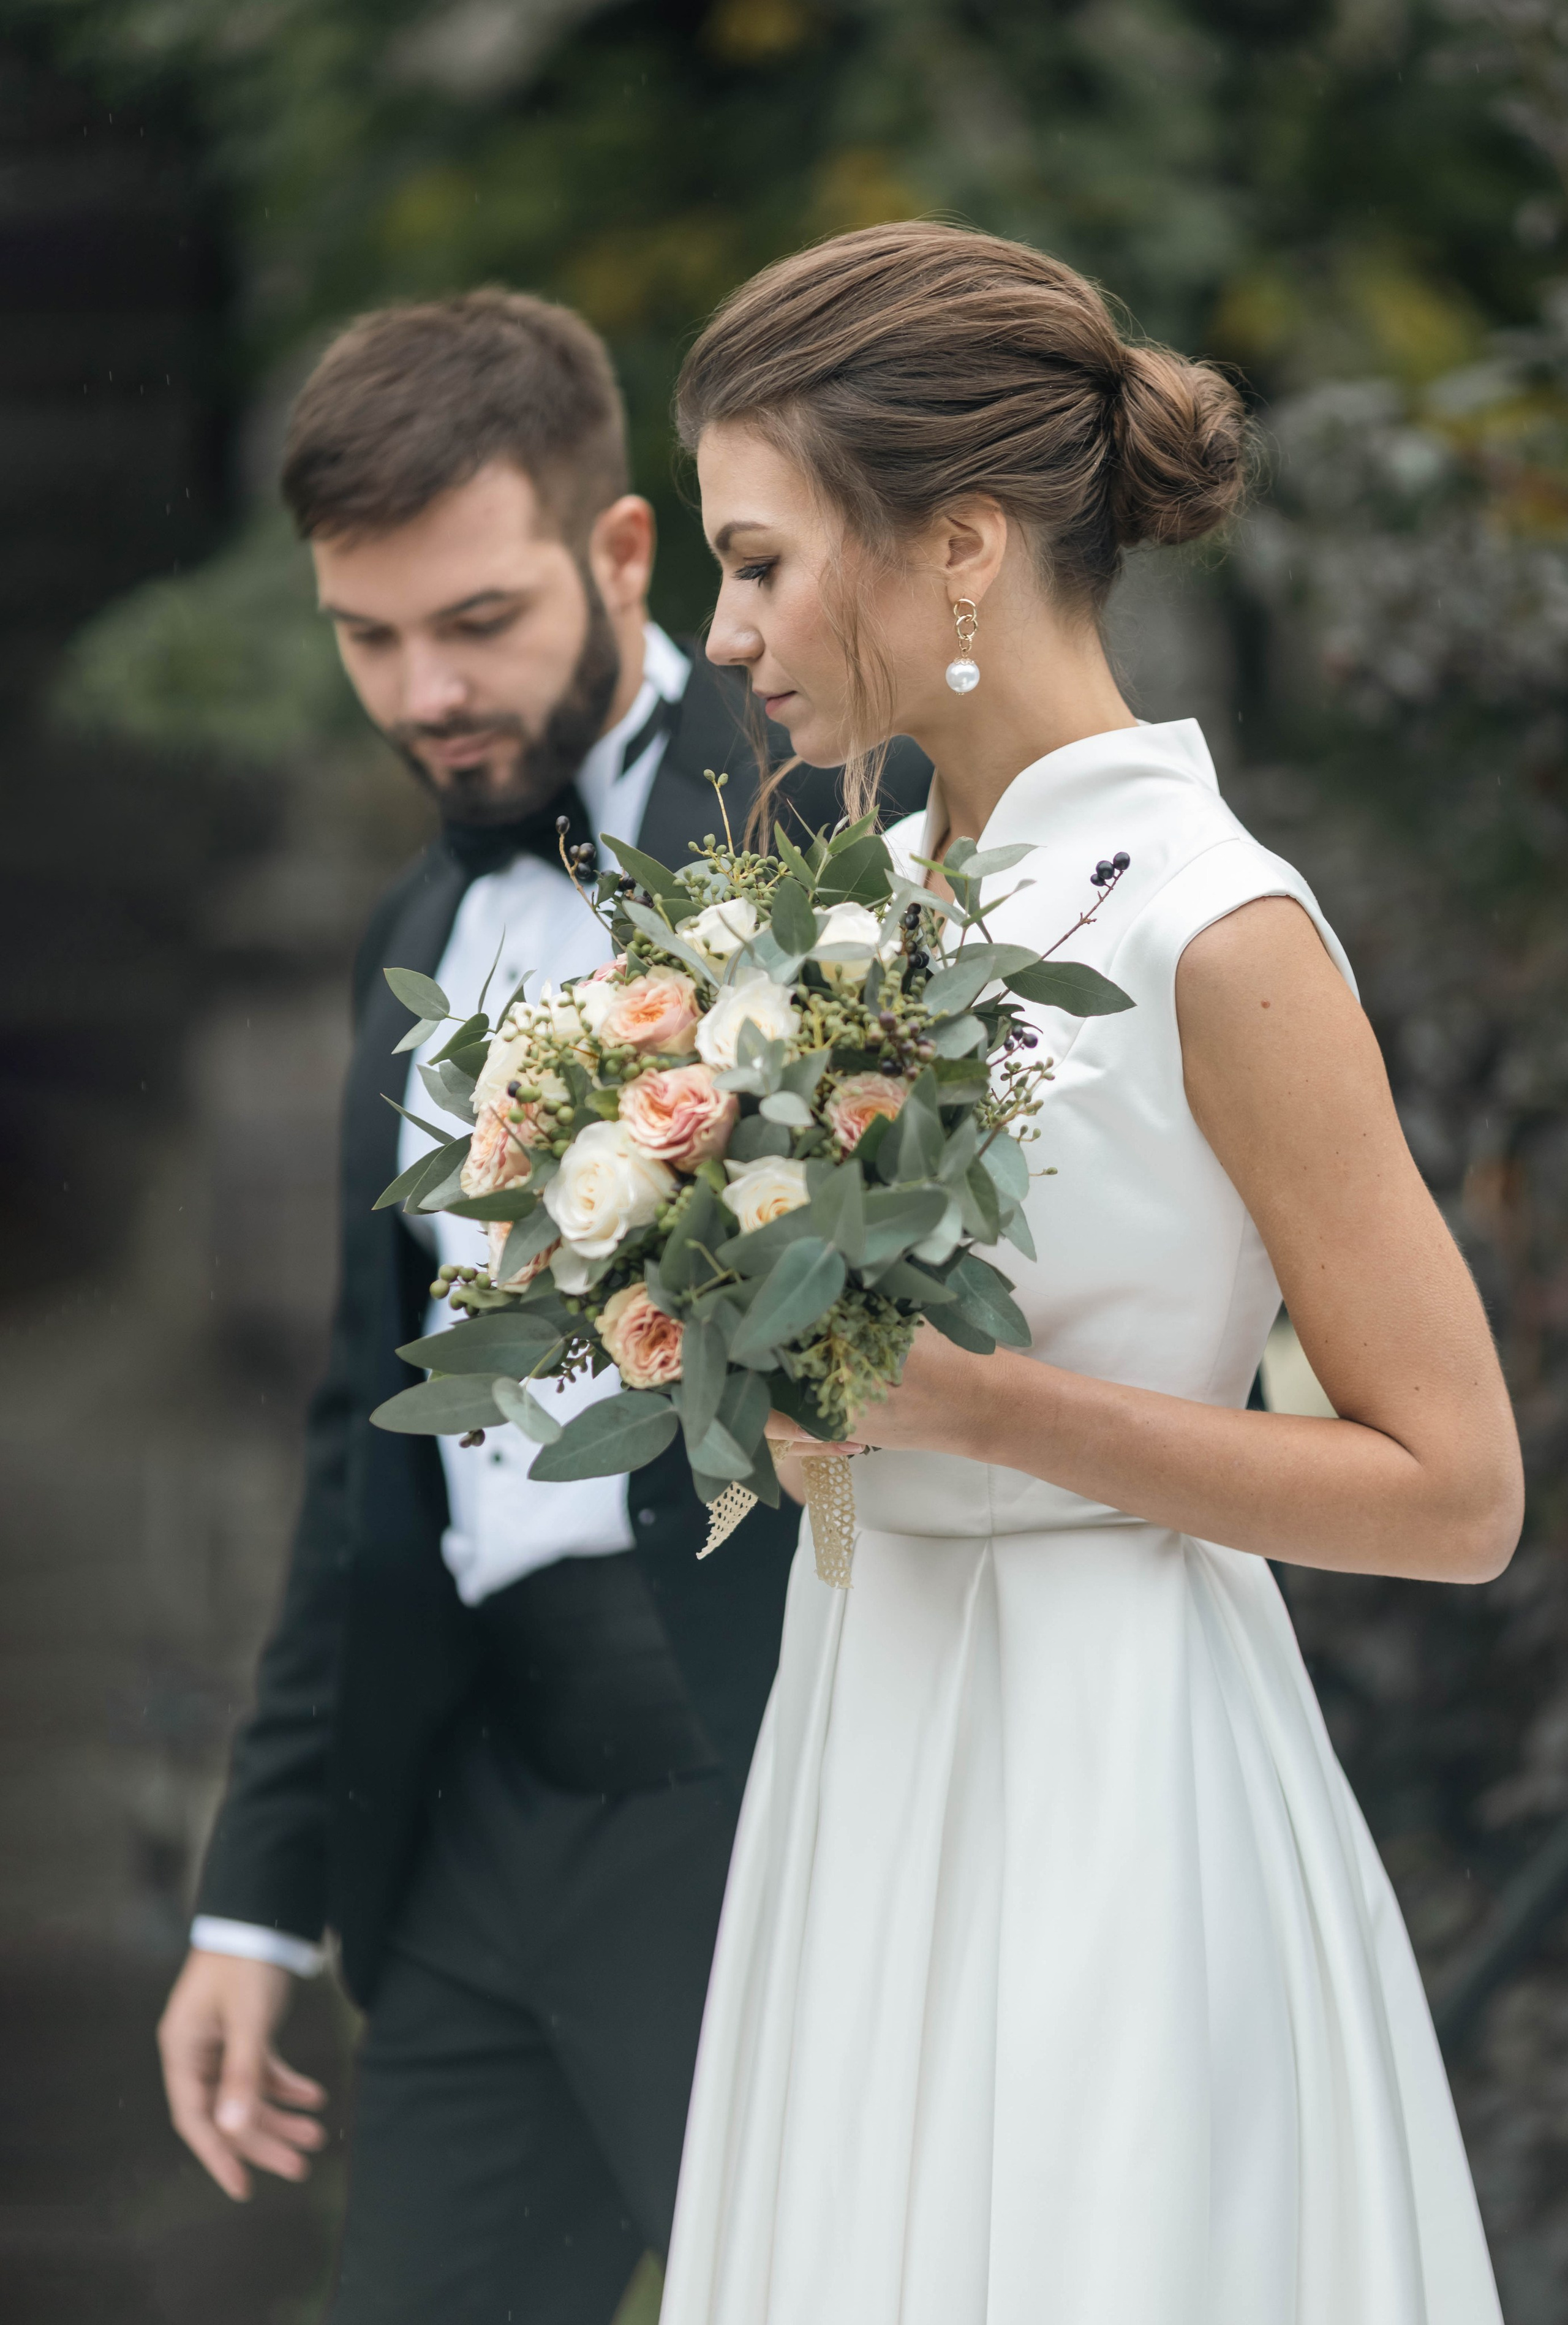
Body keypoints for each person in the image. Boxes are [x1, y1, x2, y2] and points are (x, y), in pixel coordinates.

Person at [658, 223, 1523, 2324]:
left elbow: (1457, 1488)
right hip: (874, 1726)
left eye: (762, 560)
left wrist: (981, 1408)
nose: (726, 631)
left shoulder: (1214, 929)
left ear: (958, 541)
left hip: (1112, 1779)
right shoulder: (889, 909)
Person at [154, 287, 927, 2325]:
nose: (422, 692)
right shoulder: (414, 927)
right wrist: (259, 1888)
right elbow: (366, 1434)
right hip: (467, 1824)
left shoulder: (829, 811)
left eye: (475, 622)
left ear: (618, 553)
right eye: (369, 638)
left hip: (754, 1794)